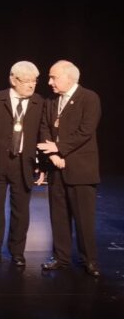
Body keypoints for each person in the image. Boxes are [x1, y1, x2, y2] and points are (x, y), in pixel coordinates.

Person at [0, 61, 44, 266]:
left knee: (21, 209)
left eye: (34, 81)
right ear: (13, 80)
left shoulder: (39, 101)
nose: (31, 85)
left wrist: (42, 165)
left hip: (25, 162)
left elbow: (42, 134)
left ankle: (17, 251)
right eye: (26, 81)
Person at [37, 61, 101, 276]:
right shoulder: (51, 101)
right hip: (57, 170)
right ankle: (61, 257)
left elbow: (86, 131)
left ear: (69, 77)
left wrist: (60, 149)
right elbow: (44, 127)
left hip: (81, 170)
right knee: (59, 217)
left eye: (53, 77)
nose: (49, 82)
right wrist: (53, 155)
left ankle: (89, 261)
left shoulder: (89, 98)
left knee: (84, 219)